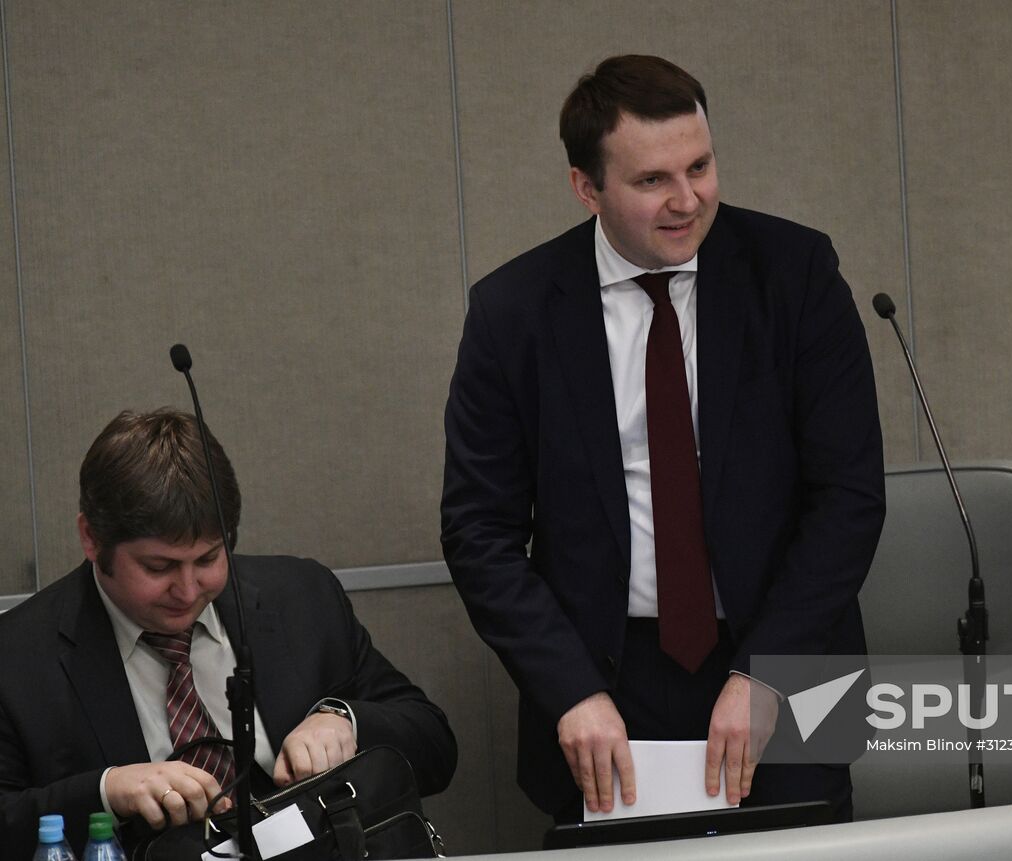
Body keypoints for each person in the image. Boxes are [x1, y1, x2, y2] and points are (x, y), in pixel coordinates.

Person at [441, 54, 884, 822]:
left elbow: (848, 496)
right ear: (587, 187)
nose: (688, 200)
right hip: (604, 683)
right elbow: (478, 529)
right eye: (652, 181)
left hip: (785, 652)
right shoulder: (513, 312)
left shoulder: (796, 272)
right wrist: (568, 687)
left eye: (702, 166)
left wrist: (767, 672)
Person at [0, 409, 457, 858]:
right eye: (158, 567)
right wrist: (106, 791)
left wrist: (344, 720)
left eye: (208, 559)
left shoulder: (302, 599)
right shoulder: (19, 656)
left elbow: (435, 748)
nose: (187, 589)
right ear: (91, 539)